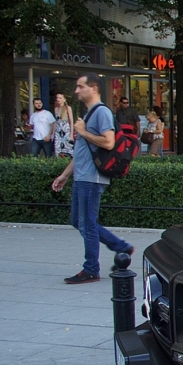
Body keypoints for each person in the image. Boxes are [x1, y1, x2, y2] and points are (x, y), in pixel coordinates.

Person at [50, 74, 132, 284]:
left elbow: (108, 142)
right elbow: (82, 152)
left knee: (86, 223)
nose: (76, 91)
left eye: (80, 86)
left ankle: (91, 269)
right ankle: (120, 246)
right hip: (83, 176)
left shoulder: (101, 112)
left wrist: (83, 132)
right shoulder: (88, 115)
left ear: (93, 88)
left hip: (92, 178)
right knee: (78, 220)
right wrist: (65, 175)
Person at [52, 93, 75, 157]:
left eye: (60, 98)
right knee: (57, 149)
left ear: (64, 100)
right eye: (57, 98)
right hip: (58, 131)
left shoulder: (67, 108)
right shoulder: (56, 109)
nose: (58, 99)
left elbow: (71, 120)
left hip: (66, 130)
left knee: (68, 148)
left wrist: (71, 134)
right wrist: (53, 134)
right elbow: (55, 122)